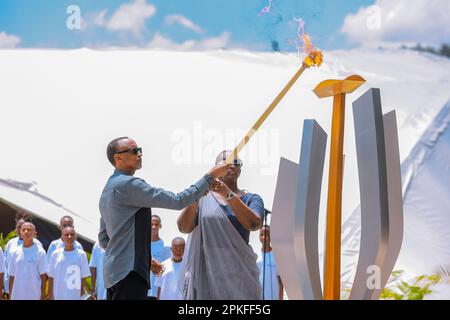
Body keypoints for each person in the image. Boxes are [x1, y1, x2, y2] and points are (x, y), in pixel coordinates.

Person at [98, 137, 231, 300]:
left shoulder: (107, 190)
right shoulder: (129, 185)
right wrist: (211, 176)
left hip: (113, 275)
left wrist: (144, 258)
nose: (139, 154)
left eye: (139, 150)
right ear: (117, 158)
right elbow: (177, 200)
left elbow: (104, 239)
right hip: (130, 275)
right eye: (133, 151)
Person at [177, 150, 264, 299]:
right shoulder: (204, 199)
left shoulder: (251, 198)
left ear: (240, 170)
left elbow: (254, 224)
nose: (231, 165)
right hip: (208, 275)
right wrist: (196, 196)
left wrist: (228, 194)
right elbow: (184, 227)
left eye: (235, 162)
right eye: (225, 162)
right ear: (216, 168)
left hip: (240, 275)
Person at [4, 212, 43, 298]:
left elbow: (42, 271)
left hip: (30, 292)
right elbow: (6, 266)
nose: (21, 230)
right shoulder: (10, 244)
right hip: (11, 290)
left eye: (24, 227)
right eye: (19, 227)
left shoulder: (37, 245)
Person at [48, 226, 91, 300]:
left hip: (75, 296)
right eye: (66, 235)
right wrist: (51, 296)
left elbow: (83, 279)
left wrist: (82, 295)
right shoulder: (55, 254)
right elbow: (51, 278)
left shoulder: (81, 254)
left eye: (72, 234)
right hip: (58, 296)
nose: (69, 237)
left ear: (75, 237)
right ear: (62, 238)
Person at [148, 214, 171, 299]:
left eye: (156, 224)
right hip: (142, 290)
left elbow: (166, 270)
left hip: (156, 292)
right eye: (151, 224)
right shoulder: (141, 245)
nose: (154, 227)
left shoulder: (165, 247)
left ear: (160, 226)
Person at [257, 225, 284, 300]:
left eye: (266, 235)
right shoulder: (257, 257)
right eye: (261, 235)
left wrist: (280, 298)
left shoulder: (277, 256)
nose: (263, 237)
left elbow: (281, 280)